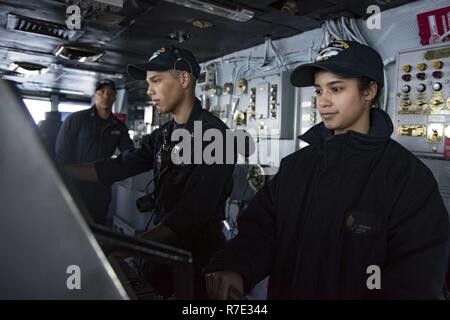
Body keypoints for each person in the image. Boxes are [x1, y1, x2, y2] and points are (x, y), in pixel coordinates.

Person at [205, 40, 450, 300]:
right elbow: (260, 232)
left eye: (336, 89)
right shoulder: (295, 166)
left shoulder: (407, 178)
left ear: (369, 91)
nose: (323, 101)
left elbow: (415, 281)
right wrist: (235, 267)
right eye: (319, 91)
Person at [64, 47, 235, 299]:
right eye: (148, 83)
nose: (148, 91)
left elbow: (188, 216)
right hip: (161, 254)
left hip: (197, 262)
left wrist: (122, 247)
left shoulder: (217, 137)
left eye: (156, 81)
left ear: (184, 79)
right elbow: (118, 166)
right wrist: (60, 171)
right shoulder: (163, 135)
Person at [55, 79, 133, 225]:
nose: (105, 96)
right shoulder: (76, 119)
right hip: (76, 187)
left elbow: (129, 153)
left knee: (99, 229)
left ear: (115, 97)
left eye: (110, 93)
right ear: (95, 95)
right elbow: (61, 155)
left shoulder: (118, 126)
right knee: (72, 228)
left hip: (101, 188)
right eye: (101, 92)